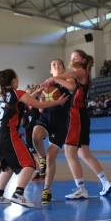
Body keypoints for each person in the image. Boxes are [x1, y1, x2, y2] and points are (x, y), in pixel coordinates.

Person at [41, 50, 111, 199]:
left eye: (76, 56)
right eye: (71, 56)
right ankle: (105, 182)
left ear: (82, 59)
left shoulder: (80, 72)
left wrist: (53, 77)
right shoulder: (79, 73)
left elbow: (68, 83)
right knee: (83, 153)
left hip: (76, 115)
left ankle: (81, 189)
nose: (72, 58)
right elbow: (65, 80)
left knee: (69, 152)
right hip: (81, 115)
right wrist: (54, 79)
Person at [0, 69, 68, 208]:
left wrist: (37, 92)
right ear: (14, 80)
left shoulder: (2, 95)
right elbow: (39, 105)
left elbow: (24, 101)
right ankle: (18, 193)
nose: (18, 80)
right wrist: (58, 102)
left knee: (7, 166)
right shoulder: (17, 93)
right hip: (9, 134)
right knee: (30, 164)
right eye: (17, 77)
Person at [32, 59, 73, 204]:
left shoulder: (68, 79)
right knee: (36, 136)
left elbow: (72, 87)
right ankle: (41, 158)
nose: (56, 65)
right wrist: (41, 94)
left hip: (60, 123)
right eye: (53, 64)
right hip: (46, 117)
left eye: (59, 64)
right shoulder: (46, 84)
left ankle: (47, 189)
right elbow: (41, 108)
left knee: (52, 158)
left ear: (63, 68)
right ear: (50, 69)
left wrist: (55, 79)